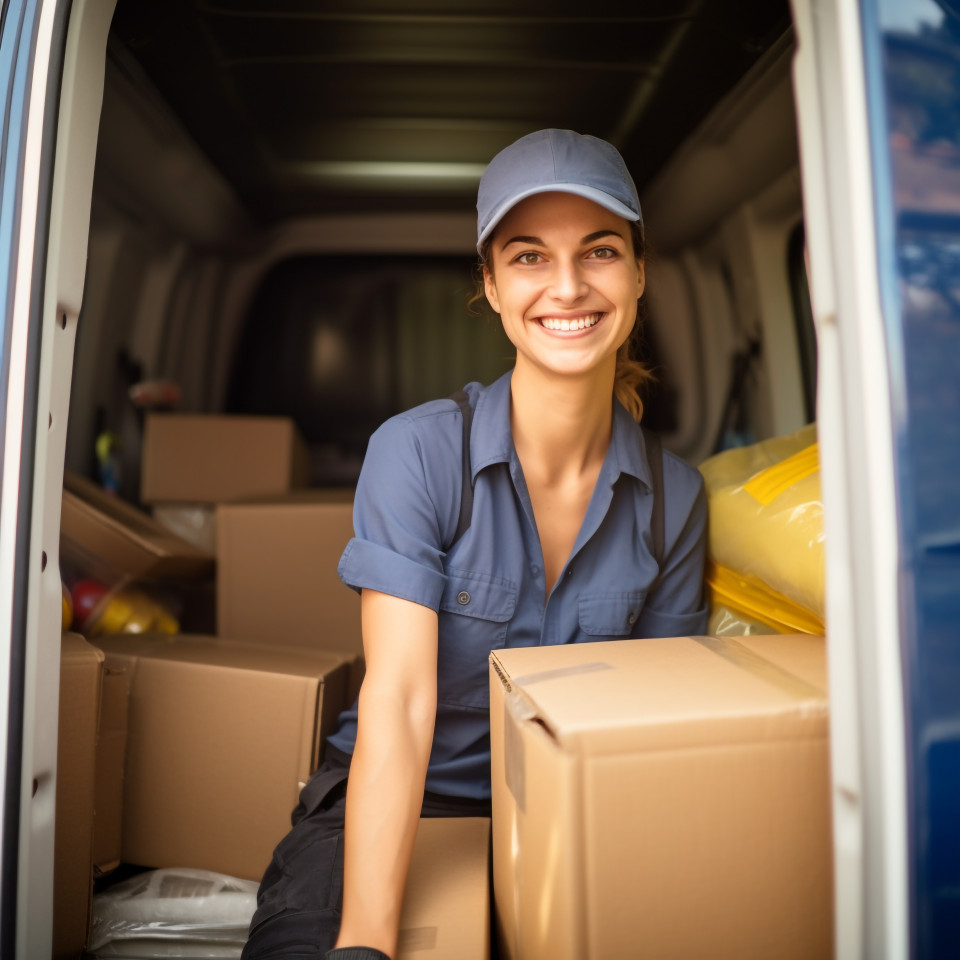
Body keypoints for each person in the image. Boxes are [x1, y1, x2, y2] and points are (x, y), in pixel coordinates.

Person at [241, 129, 708, 960]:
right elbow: (400, 702)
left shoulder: (676, 500)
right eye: (529, 257)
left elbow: (655, 733)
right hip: (404, 801)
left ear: (640, 272)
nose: (567, 285)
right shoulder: (417, 453)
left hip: (573, 811)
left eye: (599, 251)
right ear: (490, 286)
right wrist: (365, 946)